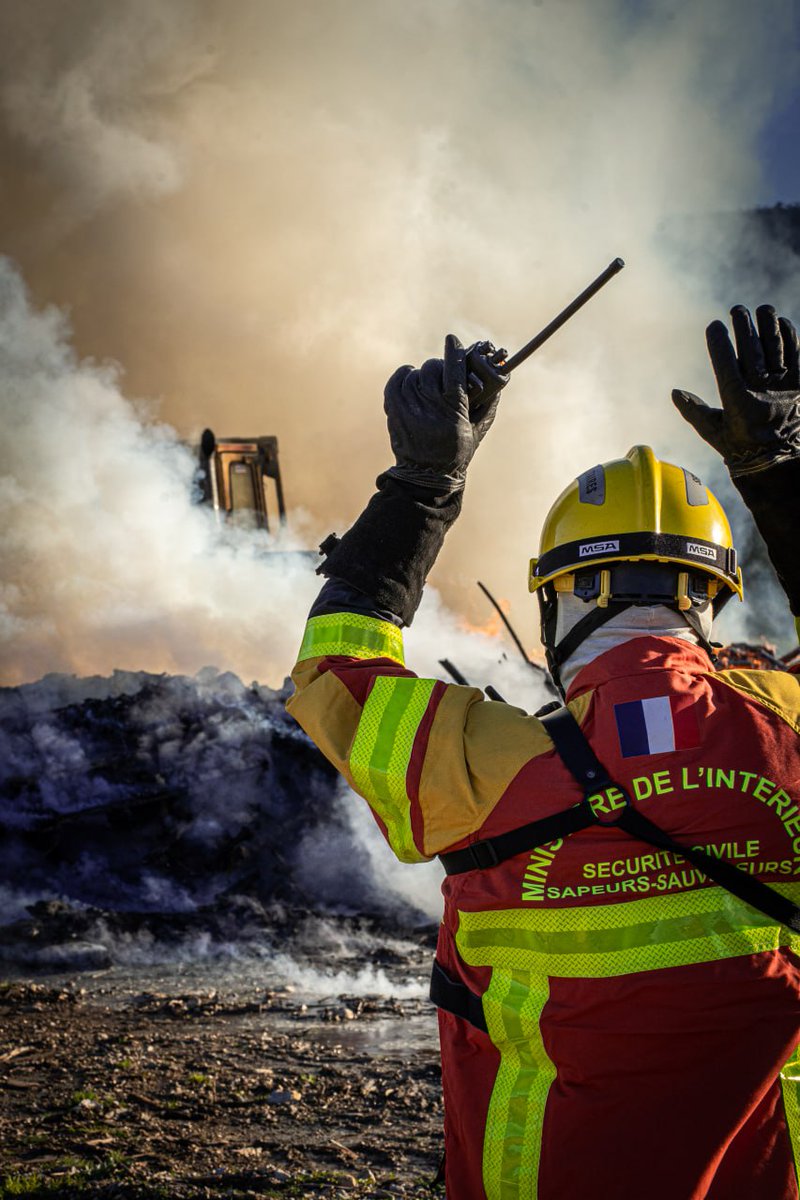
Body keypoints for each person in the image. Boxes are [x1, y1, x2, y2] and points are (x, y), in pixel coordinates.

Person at [286, 306, 800, 1199]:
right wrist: (780, 470)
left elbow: (336, 665)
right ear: (710, 598)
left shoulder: (480, 765)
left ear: (561, 600)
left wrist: (421, 484)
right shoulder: (787, 730)